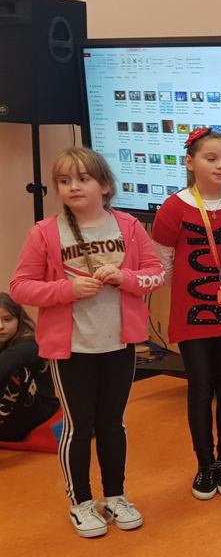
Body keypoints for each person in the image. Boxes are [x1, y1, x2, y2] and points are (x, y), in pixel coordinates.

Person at [10, 148, 165, 538]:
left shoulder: (129, 226)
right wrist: (67, 289)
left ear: (105, 186)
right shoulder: (45, 232)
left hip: (119, 345)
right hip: (72, 350)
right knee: (79, 427)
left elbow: (155, 274)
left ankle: (116, 496)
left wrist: (125, 278)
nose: (73, 187)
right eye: (65, 181)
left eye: (83, 179)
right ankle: (80, 503)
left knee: (112, 424)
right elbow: (20, 287)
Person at [151, 128, 221, 500]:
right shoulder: (173, 208)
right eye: (210, 158)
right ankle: (204, 465)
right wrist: (193, 290)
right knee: (200, 387)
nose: (220, 166)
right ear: (189, 162)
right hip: (192, 313)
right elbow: (164, 263)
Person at [0, 292, 59, 443]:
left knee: (16, 371)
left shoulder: (30, 343)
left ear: (19, 320)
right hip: (12, 417)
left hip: (38, 410)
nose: (1, 327)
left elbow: (6, 364)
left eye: (7, 319)